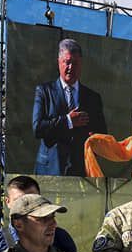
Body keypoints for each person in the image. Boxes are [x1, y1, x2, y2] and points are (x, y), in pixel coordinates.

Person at [32, 38, 108, 176]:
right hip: (50, 169)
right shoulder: (44, 91)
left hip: (80, 170)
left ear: (81, 64)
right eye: (67, 62)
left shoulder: (93, 97)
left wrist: (95, 138)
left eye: (75, 63)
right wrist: (68, 121)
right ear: (59, 62)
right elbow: (38, 128)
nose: (71, 67)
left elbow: (102, 133)